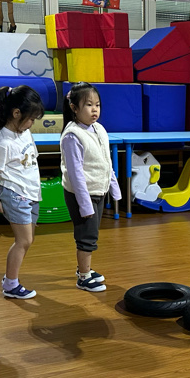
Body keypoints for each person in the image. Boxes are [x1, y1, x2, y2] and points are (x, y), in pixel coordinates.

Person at [0, 85, 44, 299]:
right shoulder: (3, 142)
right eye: (30, 119)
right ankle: (11, 284)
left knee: (28, 240)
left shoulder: (25, 132)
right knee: (23, 241)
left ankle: (10, 279)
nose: (31, 123)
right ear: (16, 113)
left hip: (30, 193)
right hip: (15, 194)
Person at [59, 82, 120, 292]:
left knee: (91, 233)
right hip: (82, 194)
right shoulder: (72, 135)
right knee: (87, 236)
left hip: (97, 190)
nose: (95, 110)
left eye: (97, 105)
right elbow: (75, 174)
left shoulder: (99, 129)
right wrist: (84, 204)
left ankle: (84, 269)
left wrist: (114, 187)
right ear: (74, 108)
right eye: (88, 105)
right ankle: (83, 277)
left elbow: (106, 161)